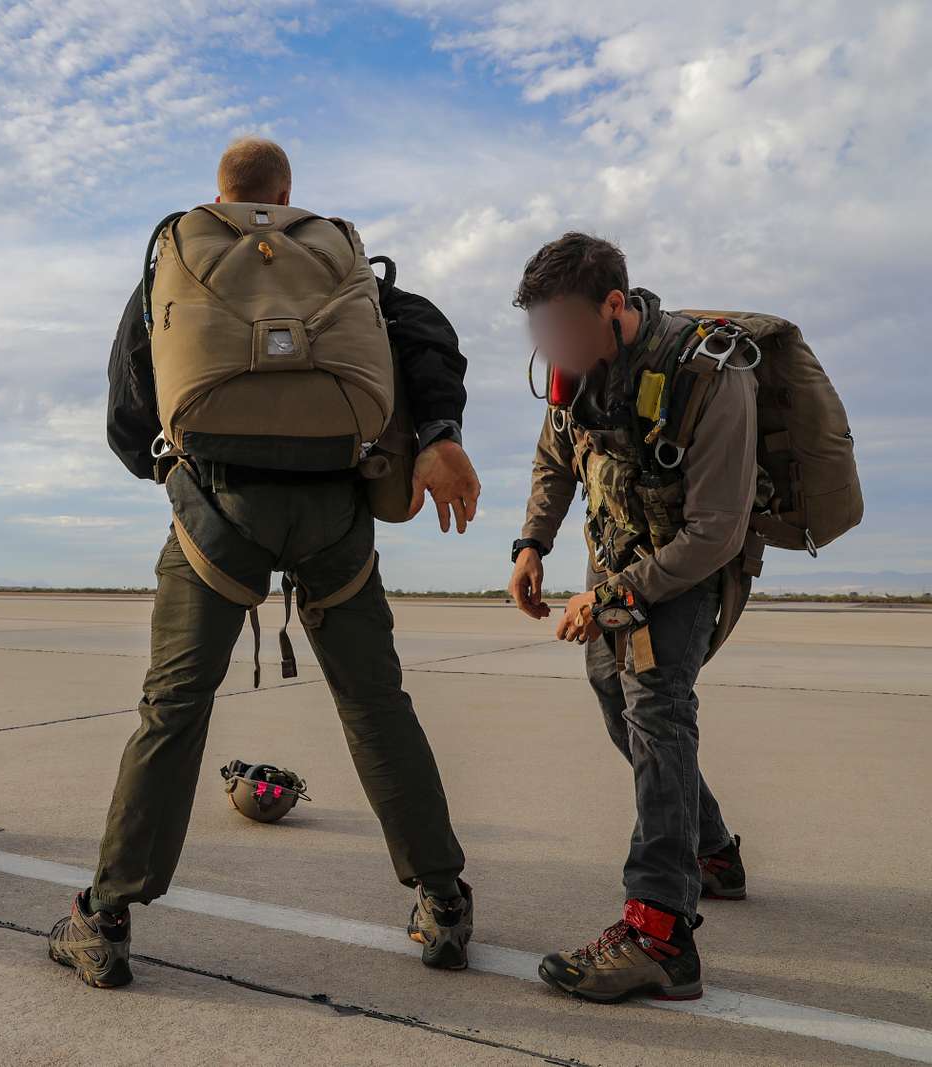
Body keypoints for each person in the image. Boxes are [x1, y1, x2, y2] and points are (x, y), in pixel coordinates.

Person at [47, 137, 482, 988]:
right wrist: (439, 436)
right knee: (375, 703)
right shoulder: (336, 257)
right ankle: (443, 896)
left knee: (173, 708)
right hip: (335, 513)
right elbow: (425, 334)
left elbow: (129, 414)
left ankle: (106, 918)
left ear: (221, 193)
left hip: (217, 509)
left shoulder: (176, 262)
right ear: (287, 194)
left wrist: (176, 472)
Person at [507, 232, 752, 1003]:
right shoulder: (572, 368)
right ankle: (711, 851)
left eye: (567, 328)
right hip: (609, 566)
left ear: (615, 305)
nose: (557, 347)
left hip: (682, 574)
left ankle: (660, 934)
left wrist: (610, 599)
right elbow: (556, 458)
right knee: (617, 701)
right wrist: (531, 544)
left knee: (656, 713)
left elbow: (716, 532)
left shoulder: (709, 373)